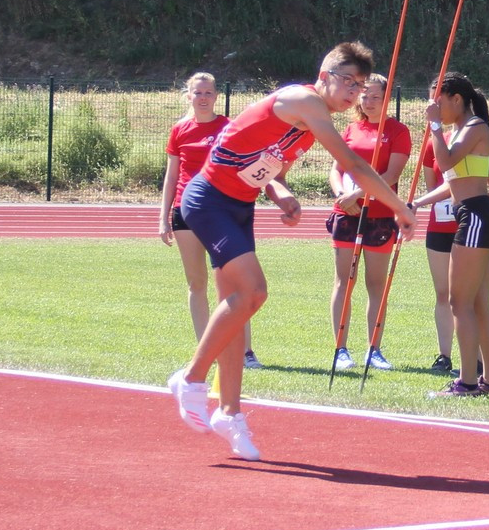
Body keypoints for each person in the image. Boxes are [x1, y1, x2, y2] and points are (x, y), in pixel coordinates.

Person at [166, 43, 418, 458]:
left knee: (236, 307)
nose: (354, 93)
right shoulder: (304, 101)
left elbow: (268, 169)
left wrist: (280, 193)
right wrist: (400, 208)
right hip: (208, 200)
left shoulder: (307, 122)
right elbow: (355, 166)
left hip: (238, 206)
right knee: (253, 292)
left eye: (360, 86)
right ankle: (191, 378)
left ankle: (229, 413)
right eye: (348, 82)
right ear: (324, 76)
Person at [158, 72, 259, 369]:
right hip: (185, 211)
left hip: (220, 212)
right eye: (197, 92)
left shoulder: (228, 127)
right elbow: (171, 176)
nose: (203, 98)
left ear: (216, 96)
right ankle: (206, 350)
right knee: (197, 282)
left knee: (235, 283)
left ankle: (245, 351)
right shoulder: (179, 129)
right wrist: (163, 218)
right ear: (188, 95)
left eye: (208, 93)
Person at [413, 72, 489, 397]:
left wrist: (434, 126)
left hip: (477, 215)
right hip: (474, 214)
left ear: (456, 99)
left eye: (437, 101)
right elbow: (452, 181)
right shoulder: (460, 131)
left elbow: (446, 162)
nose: (433, 107)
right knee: (477, 303)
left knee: (460, 302)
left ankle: (467, 381)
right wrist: (417, 203)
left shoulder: (475, 127)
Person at [326, 74, 411, 371]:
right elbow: (336, 169)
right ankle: (340, 349)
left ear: (387, 98)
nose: (369, 101)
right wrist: (342, 195)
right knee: (343, 282)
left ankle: (374, 349)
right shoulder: (351, 129)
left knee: (376, 285)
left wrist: (359, 194)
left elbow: (391, 175)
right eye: (364, 95)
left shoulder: (398, 131)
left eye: (376, 96)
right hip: (346, 214)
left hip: (379, 216)